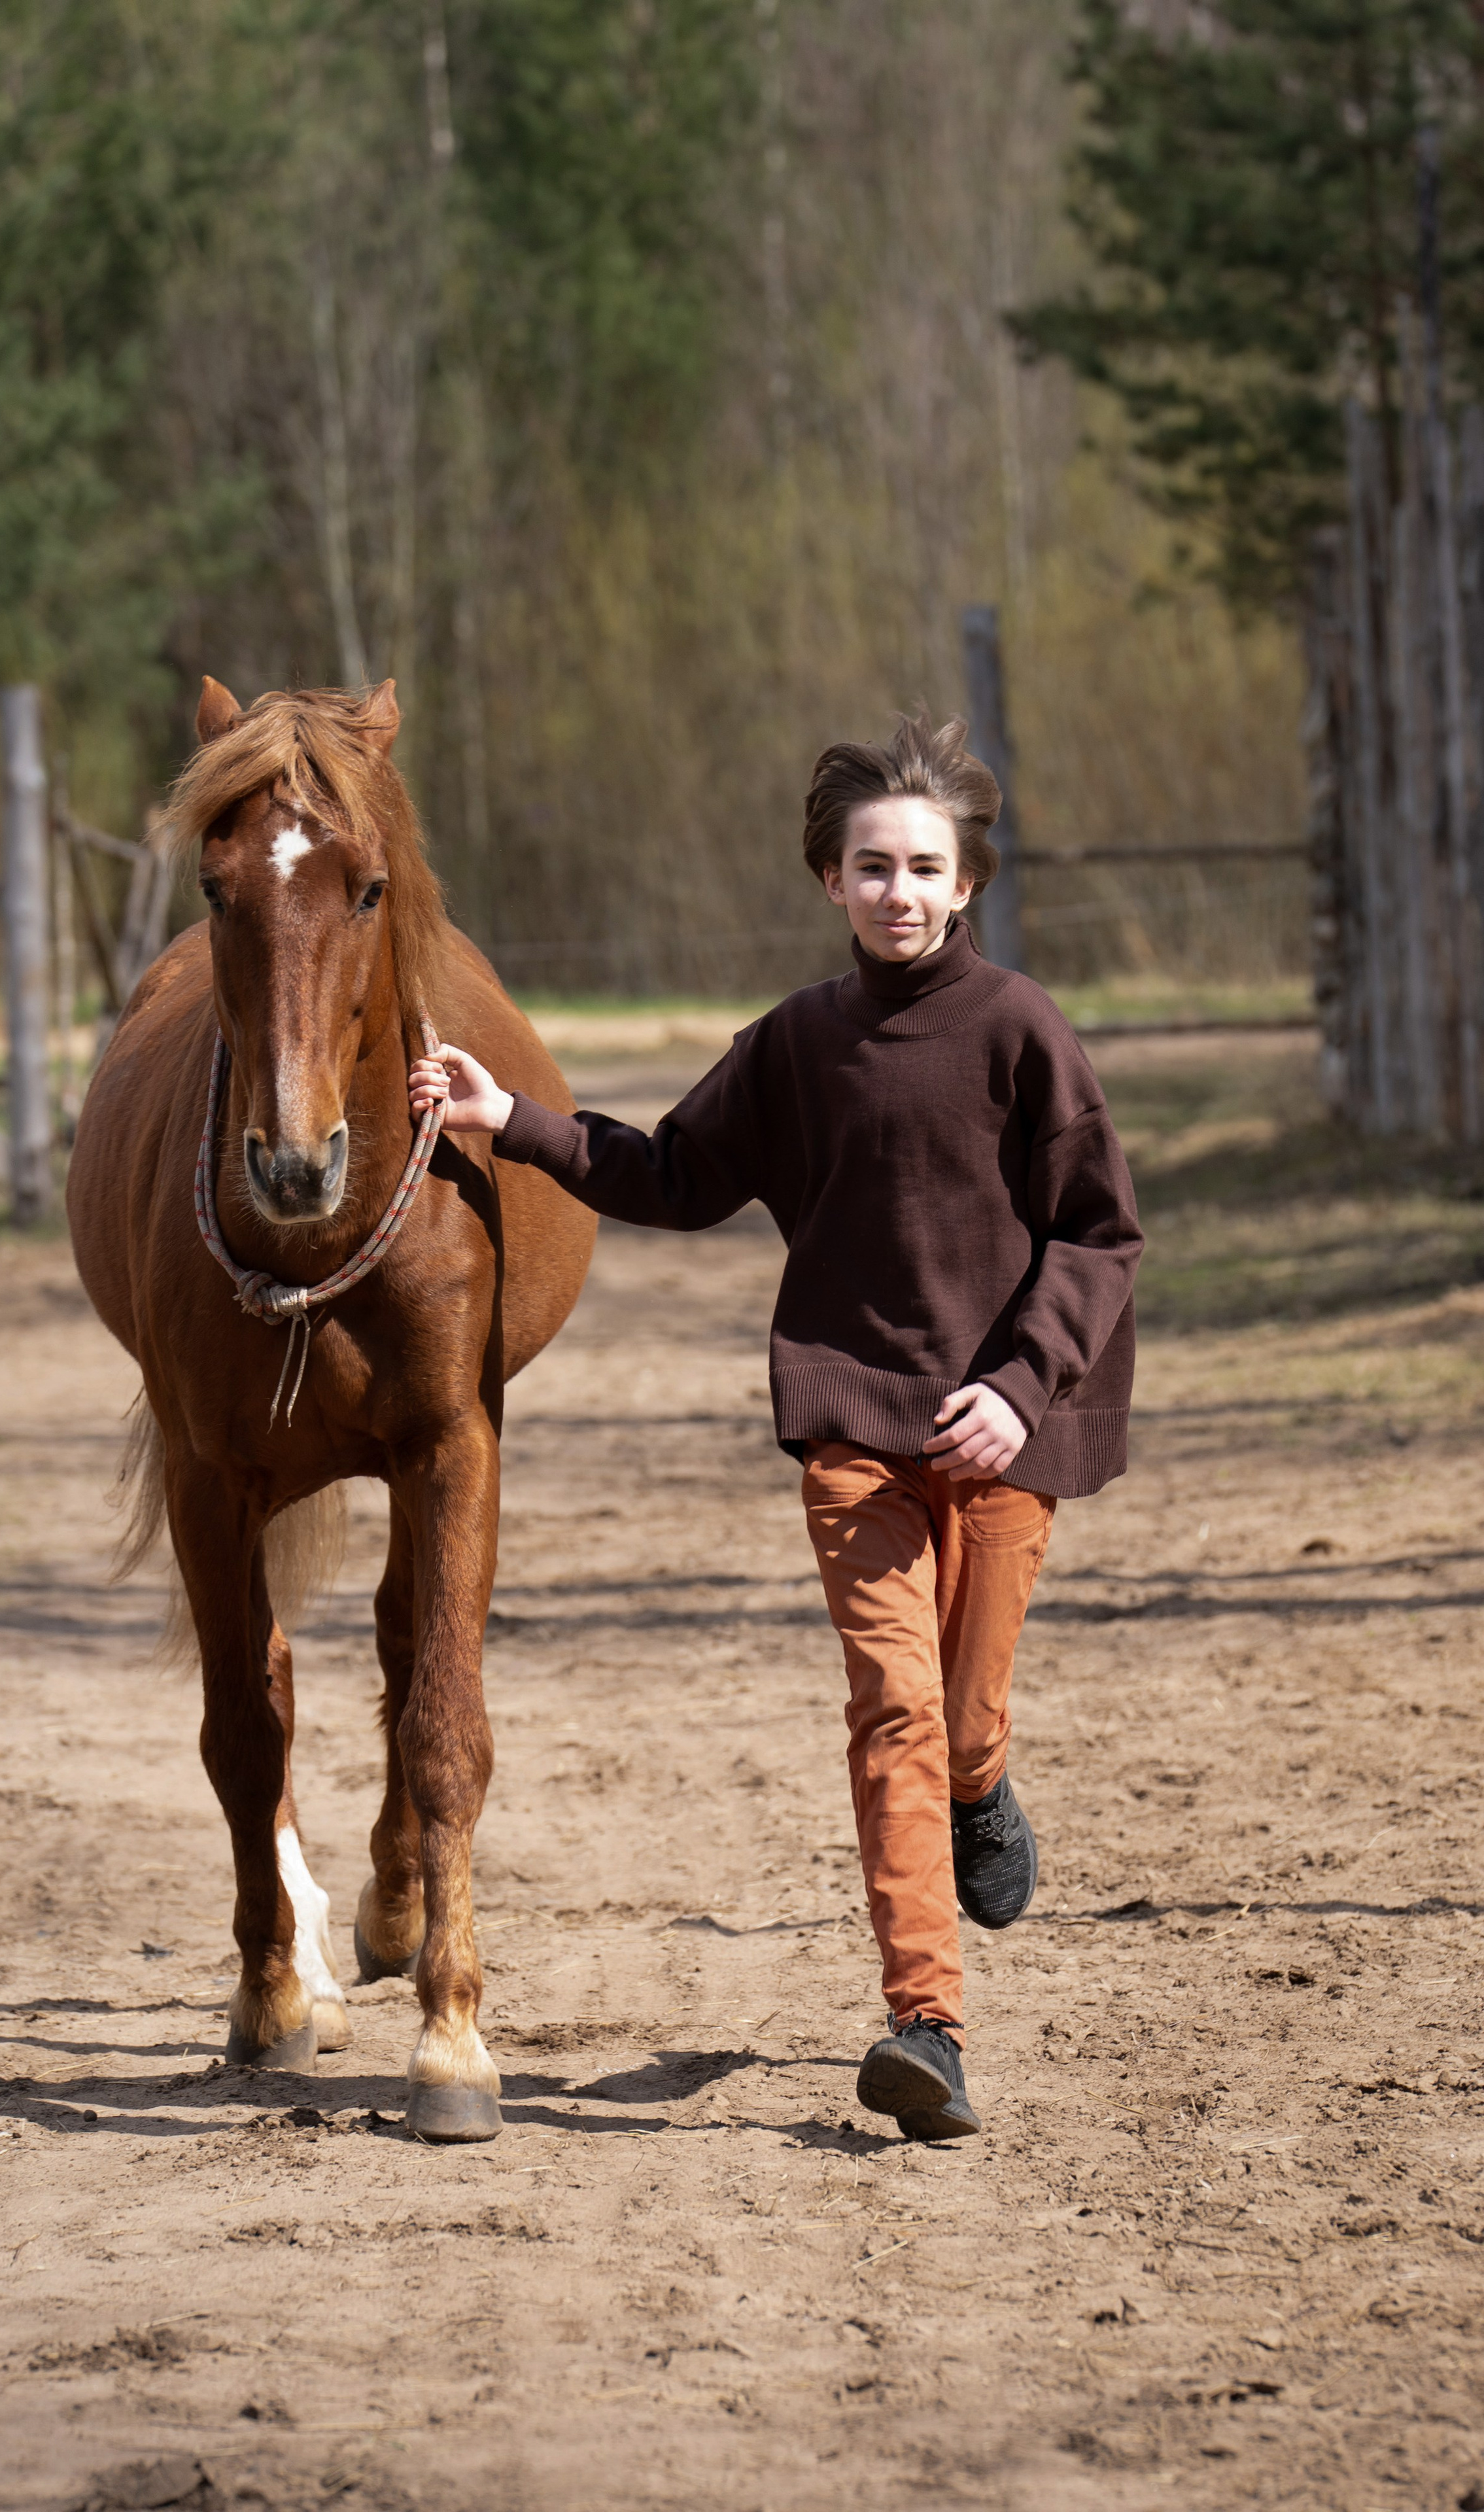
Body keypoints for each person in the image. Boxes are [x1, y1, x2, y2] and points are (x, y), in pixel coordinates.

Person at [409, 711, 1143, 2142]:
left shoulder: (1021, 1032)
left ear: (966, 882)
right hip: (853, 1427)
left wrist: (1018, 1384)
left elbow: (1098, 1237)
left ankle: (986, 1783)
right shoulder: (797, 1044)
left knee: (964, 1718)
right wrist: (517, 1119)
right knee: (893, 1710)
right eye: (870, 866)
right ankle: (925, 2024)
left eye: (923, 866)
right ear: (828, 882)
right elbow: (675, 1172)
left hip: (1000, 1433)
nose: (897, 892)